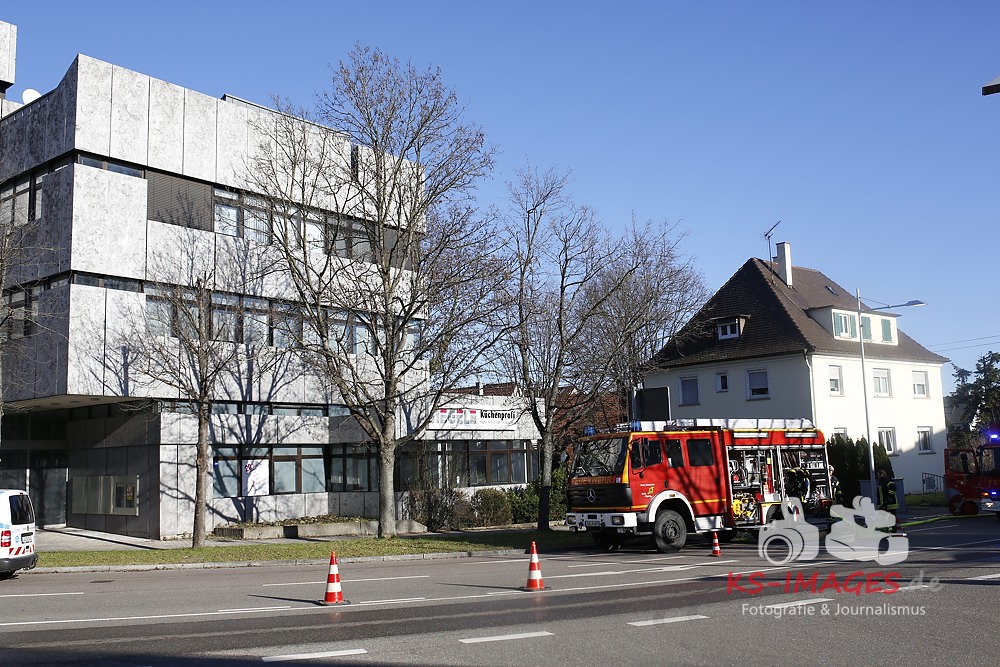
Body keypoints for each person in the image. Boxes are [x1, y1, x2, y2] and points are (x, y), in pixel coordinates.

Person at [877, 469, 904, 535]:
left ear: (882, 474)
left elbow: (893, 489)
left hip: (890, 504)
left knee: (891, 518)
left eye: (878, 475)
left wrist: (887, 499)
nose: (877, 476)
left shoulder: (888, 481)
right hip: (883, 504)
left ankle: (893, 531)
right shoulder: (881, 483)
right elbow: (880, 494)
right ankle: (887, 531)